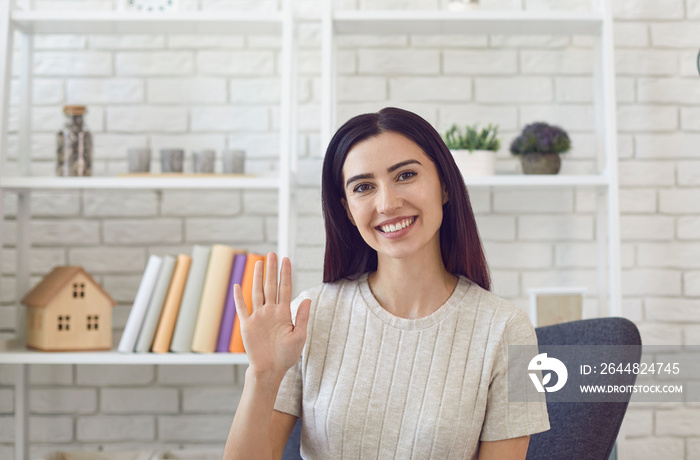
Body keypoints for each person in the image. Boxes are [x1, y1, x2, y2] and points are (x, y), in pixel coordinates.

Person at [223, 107, 550, 460]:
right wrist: (263, 376)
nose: (388, 203)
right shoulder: (308, 318)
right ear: (347, 210)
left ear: (444, 186)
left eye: (406, 175)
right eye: (364, 187)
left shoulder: (512, 331)